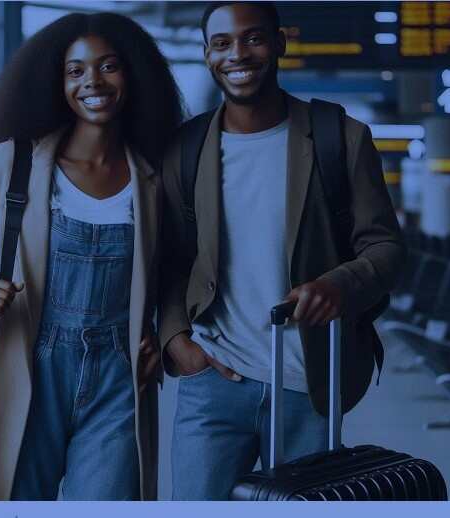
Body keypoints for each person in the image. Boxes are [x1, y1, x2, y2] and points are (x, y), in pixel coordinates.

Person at [156, 1, 405, 500]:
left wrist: (339, 284)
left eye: (253, 38)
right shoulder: (185, 148)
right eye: (222, 43)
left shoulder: (342, 137)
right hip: (214, 380)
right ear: (207, 55)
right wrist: (175, 339)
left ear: (280, 42)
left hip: (306, 382)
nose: (238, 54)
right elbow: (170, 259)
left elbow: (385, 247)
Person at [0, 12, 183, 501]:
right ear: (57, 83)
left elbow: (173, 271)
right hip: (25, 361)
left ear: (133, 75)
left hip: (118, 375)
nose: (93, 81)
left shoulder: (155, 177)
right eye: (76, 71)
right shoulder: (9, 165)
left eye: (109, 66)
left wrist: (161, 330)